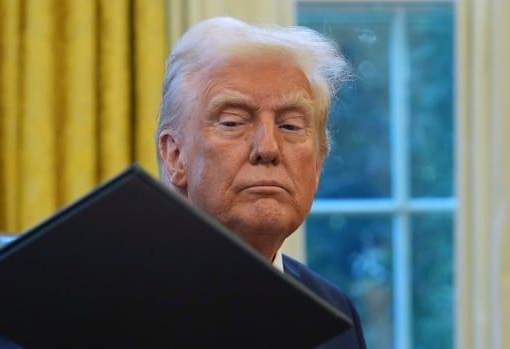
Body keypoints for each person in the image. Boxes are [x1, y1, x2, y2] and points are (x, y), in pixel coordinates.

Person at [156, 17, 366, 349]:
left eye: (291, 126)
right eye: (233, 121)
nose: (267, 148)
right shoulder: (108, 301)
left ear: (319, 161)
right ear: (175, 156)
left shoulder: (335, 313)